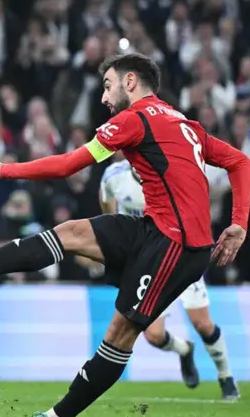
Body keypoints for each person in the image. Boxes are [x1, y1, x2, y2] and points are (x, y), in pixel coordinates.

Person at [0, 52, 250, 417]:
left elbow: (68, 165)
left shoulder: (134, 120)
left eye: (108, 85)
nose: (104, 97)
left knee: (121, 333)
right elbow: (240, 161)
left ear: (131, 82)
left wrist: (4, 169)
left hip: (177, 245)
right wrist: (238, 223)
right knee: (72, 232)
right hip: (154, 229)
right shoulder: (185, 123)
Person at [99, 155, 239, 400]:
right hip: (147, 266)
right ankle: (184, 350)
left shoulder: (170, 173)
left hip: (181, 256)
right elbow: (106, 204)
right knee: (153, 335)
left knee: (203, 324)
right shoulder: (113, 175)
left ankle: (226, 377)